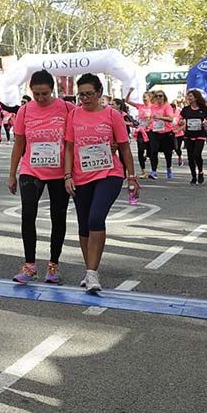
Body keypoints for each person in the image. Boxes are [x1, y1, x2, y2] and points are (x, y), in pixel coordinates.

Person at [64, 73, 138, 293]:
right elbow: (68, 146)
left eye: (89, 94)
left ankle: (92, 273)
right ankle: (89, 269)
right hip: (80, 175)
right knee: (84, 223)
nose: (85, 98)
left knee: (96, 218)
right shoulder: (74, 115)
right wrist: (67, 175)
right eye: (81, 94)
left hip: (109, 173)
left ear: (99, 93)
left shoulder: (112, 114)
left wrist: (132, 176)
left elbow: (124, 147)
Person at [9, 71, 74, 285]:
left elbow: (78, 138)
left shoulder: (66, 109)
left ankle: (53, 265)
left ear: (52, 90)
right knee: (28, 213)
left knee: (58, 216)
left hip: (59, 172)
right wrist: (12, 174)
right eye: (36, 94)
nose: (40, 98)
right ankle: (29, 266)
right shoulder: (25, 111)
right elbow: (19, 143)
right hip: (31, 169)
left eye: (44, 93)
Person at [180, 90, 207, 185]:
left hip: (200, 134)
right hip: (189, 135)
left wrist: (206, 122)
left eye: (191, 96)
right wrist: (181, 122)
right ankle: (193, 176)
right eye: (188, 96)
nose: (189, 98)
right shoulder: (186, 109)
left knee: (197, 154)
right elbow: (180, 119)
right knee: (190, 157)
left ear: (196, 97)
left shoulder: (203, 108)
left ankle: (200, 172)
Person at [147, 90, 177, 180]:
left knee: (167, 152)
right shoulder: (152, 107)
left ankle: (169, 168)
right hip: (154, 131)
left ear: (164, 97)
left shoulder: (167, 106)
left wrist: (160, 117)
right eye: (157, 96)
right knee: (154, 151)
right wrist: (147, 124)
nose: (159, 98)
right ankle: (154, 171)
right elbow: (152, 118)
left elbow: (171, 119)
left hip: (166, 132)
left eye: (161, 96)